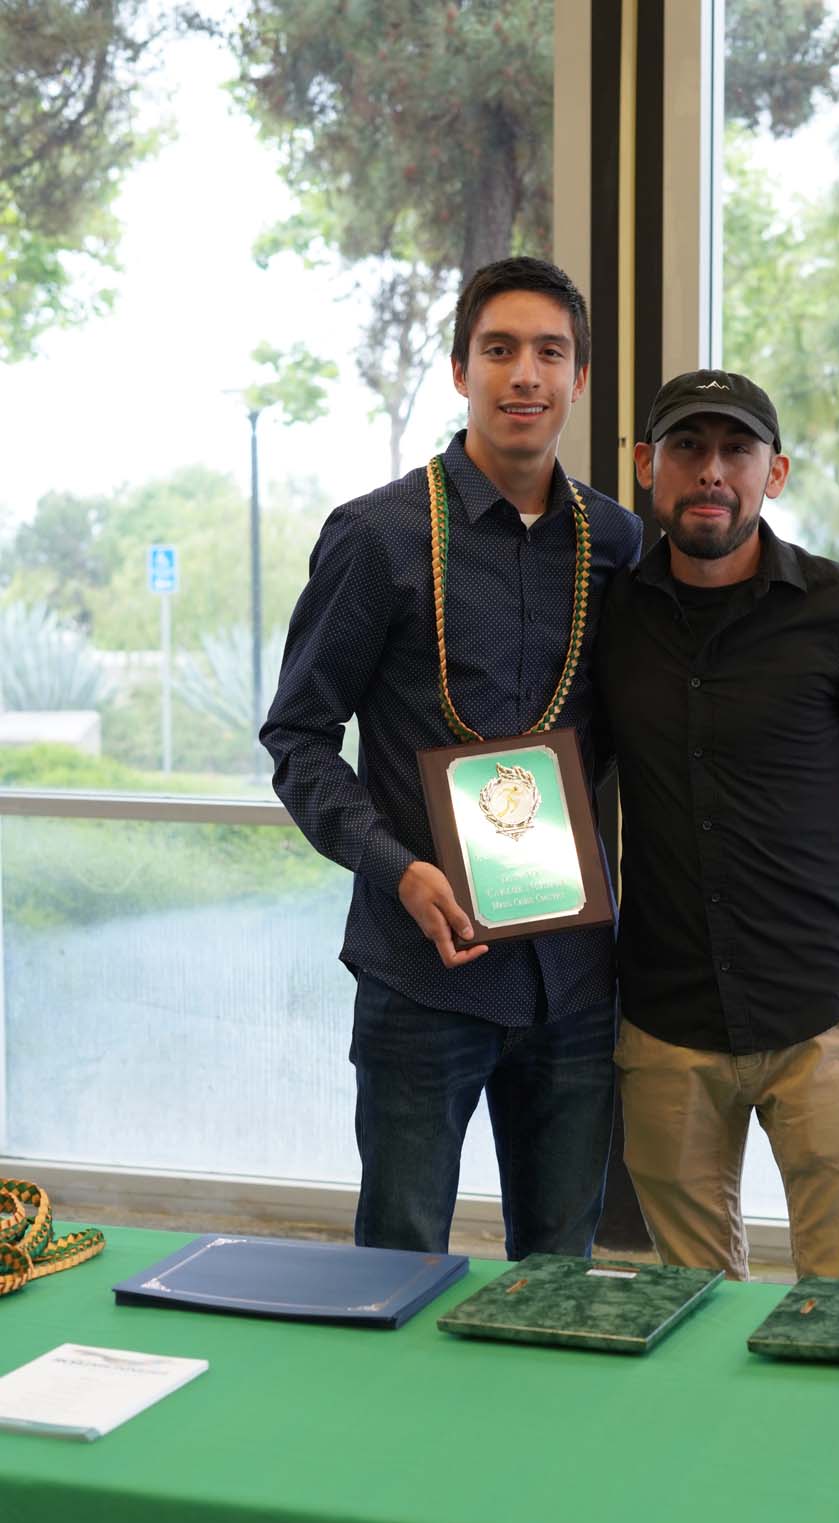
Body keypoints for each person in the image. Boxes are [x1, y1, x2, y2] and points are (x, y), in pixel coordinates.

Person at [262, 257, 642, 1259]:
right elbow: (297, 739)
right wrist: (399, 869)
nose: (525, 374)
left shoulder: (614, 543)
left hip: (572, 980)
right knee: (396, 1262)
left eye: (550, 353)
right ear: (460, 369)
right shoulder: (378, 536)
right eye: (499, 349)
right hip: (422, 971)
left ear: (579, 378)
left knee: (558, 1280)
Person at [595, 369, 839, 1281]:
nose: (711, 471)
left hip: (817, 1021)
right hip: (666, 1022)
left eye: (737, 450)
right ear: (647, 465)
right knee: (690, 1304)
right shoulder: (611, 618)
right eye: (687, 447)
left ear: (776, 472)